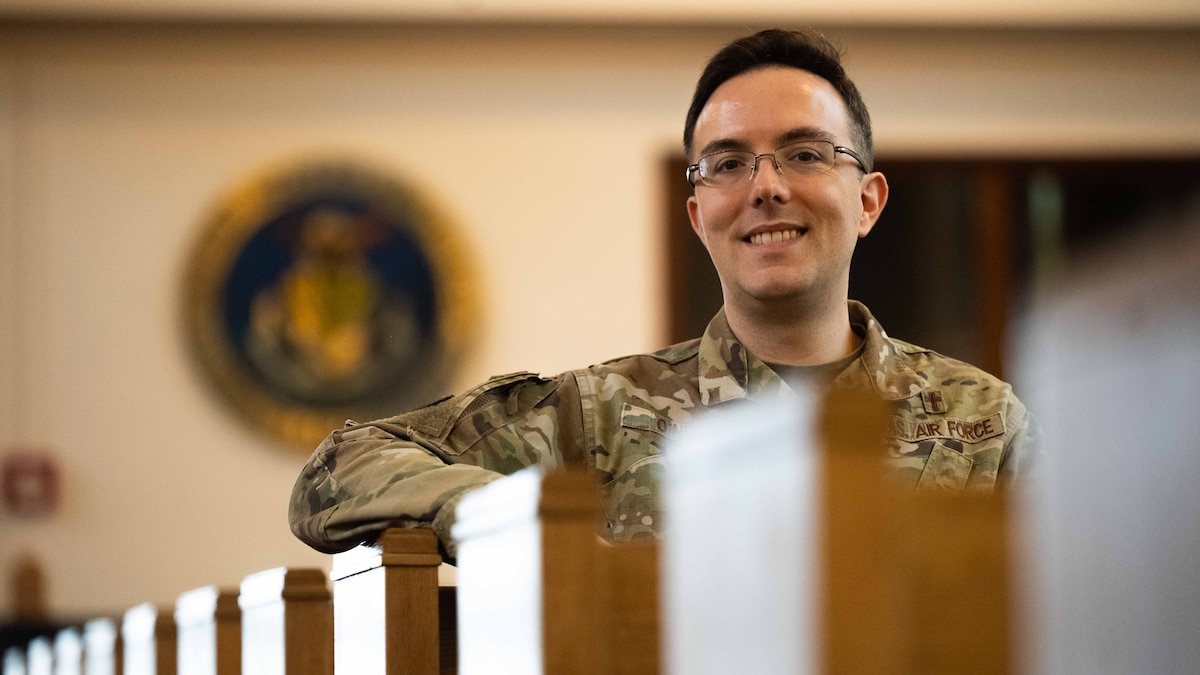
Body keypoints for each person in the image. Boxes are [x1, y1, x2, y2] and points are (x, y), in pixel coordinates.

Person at [288, 28, 1035, 559]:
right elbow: (338, 470)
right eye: (728, 163)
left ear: (868, 200)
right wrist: (517, 525)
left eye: (804, 154)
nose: (766, 187)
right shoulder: (598, 418)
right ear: (698, 214)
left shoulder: (984, 423)